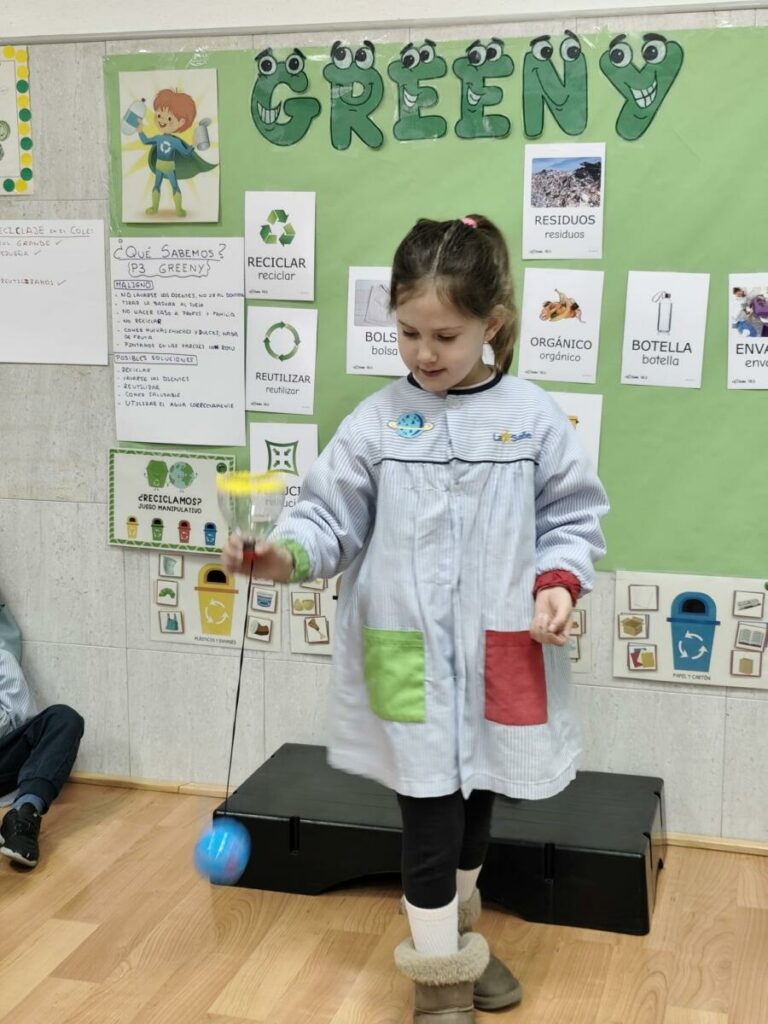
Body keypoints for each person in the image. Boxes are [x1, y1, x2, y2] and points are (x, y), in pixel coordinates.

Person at [223, 215, 608, 1022]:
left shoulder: (533, 417)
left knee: (476, 813)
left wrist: (558, 586)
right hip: (405, 654)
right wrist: (283, 556)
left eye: (445, 336)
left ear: (492, 324)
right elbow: (326, 520)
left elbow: (572, 518)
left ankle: (458, 938)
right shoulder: (375, 423)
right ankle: (440, 986)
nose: (424, 353)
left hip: (504, 649)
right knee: (430, 819)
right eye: (407, 333)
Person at [0, 604, 84, 869]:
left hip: (4, 758)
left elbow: (21, 722)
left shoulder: (2, 660)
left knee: (65, 718)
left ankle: (24, 816)